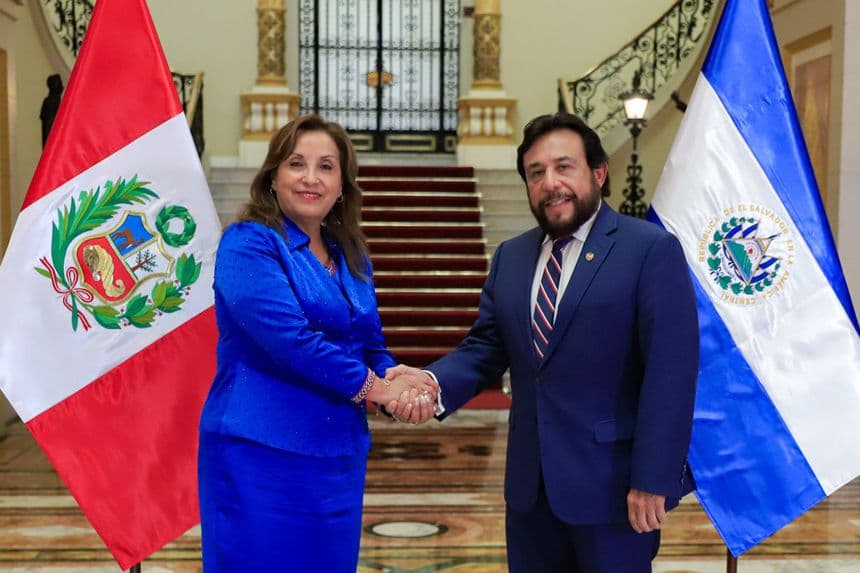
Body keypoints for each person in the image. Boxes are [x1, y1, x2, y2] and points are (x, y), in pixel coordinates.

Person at [389, 112, 699, 572]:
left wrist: (653, 478)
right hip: (529, 493)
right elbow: (485, 349)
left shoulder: (649, 250)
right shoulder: (511, 257)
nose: (550, 183)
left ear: (598, 173)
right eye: (536, 173)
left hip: (614, 493)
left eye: (564, 167)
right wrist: (431, 384)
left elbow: (671, 374)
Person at [197, 114, 438, 572]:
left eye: (326, 166)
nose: (311, 177)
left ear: (342, 185)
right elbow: (291, 340)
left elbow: (369, 341)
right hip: (260, 455)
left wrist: (398, 380)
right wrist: (379, 389)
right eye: (296, 164)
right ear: (273, 177)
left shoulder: (351, 254)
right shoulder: (247, 244)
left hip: (338, 458)